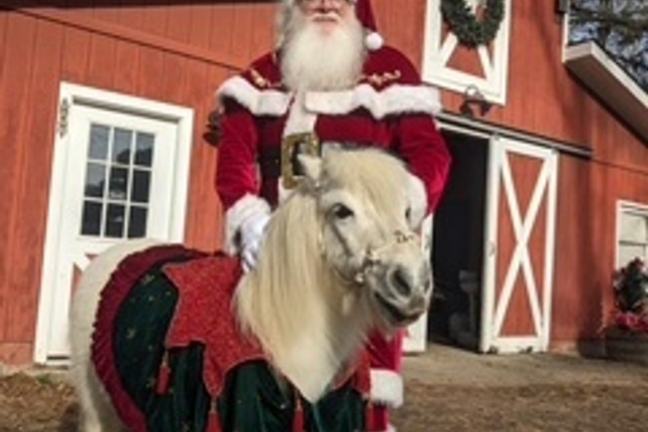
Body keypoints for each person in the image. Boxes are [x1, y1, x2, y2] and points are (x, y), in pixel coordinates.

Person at [215, 0, 451, 430]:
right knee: (249, 371)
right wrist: (250, 220)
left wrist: (391, 216)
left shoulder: (390, 72)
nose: (325, 3)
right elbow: (233, 161)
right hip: (272, 260)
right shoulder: (259, 79)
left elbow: (430, 158)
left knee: (359, 393)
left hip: (361, 256)